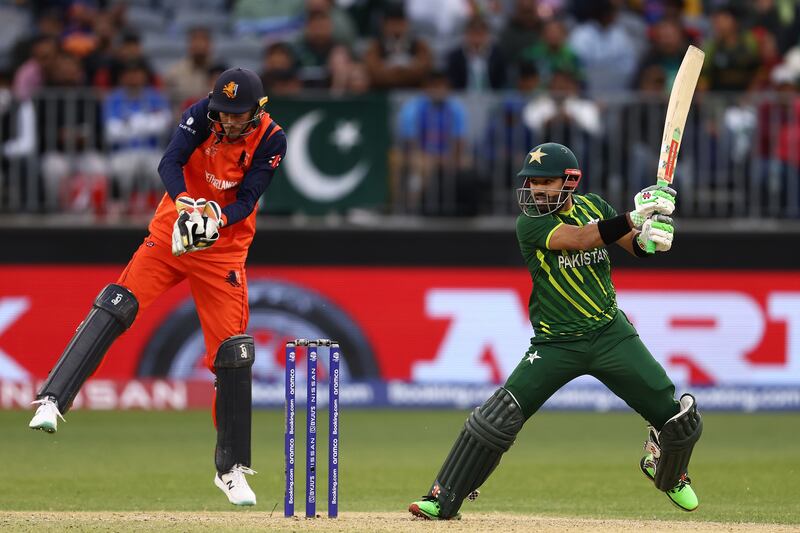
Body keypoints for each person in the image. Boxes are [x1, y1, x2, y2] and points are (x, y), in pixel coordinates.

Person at [28, 68, 287, 507]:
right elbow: (169, 162)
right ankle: (52, 399)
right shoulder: (200, 115)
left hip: (223, 249)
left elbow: (248, 199)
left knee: (233, 354)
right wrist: (187, 205)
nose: (225, 122)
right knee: (118, 302)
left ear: (257, 111)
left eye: (235, 115)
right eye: (221, 113)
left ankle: (231, 469)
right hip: (173, 231)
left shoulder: (271, 139)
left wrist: (215, 219)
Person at [408, 142, 703, 519]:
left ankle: (668, 470)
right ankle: (442, 497)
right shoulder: (530, 223)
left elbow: (633, 246)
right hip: (555, 343)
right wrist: (633, 216)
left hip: (610, 333)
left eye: (546, 182)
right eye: (532, 183)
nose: (536, 190)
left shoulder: (595, 206)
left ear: (570, 182)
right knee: (496, 419)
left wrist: (650, 235)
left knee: (676, 416)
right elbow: (580, 238)